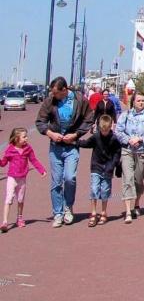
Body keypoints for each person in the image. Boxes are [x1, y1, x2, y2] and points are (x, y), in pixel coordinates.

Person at [35, 76, 94, 227]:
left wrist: (76, 134)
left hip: (71, 145)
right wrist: (50, 133)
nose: (53, 96)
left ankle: (68, 207)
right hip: (55, 146)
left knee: (69, 177)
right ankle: (57, 213)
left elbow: (89, 119)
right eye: (52, 93)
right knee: (56, 181)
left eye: (56, 93)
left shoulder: (80, 100)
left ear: (64, 90)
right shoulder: (50, 101)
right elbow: (40, 121)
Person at [114, 92, 144, 224]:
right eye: (138, 100)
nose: (141, 103)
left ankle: (136, 203)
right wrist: (128, 140)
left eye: (143, 101)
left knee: (138, 179)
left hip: (142, 151)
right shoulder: (125, 115)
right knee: (128, 179)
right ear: (133, 102)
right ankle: (128, 211)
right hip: (127, 151)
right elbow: (118, 131)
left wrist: (141, 139)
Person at [77, 114, 122, 227]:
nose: (104, 132)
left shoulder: (114, 139)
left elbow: (117, 154)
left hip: (108, 167)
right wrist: (75, 142)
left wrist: (113, 165)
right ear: (99, 128)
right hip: (96, 166)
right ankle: (93, 212)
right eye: (102, 130)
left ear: (110, 127)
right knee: (94, 188)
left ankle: (103, 212)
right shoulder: (96, 137)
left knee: (105, 190)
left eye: (106, 130)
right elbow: (87, 143)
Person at [1, 127, 47, 232]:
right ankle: (4, 222)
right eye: (24, 137)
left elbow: (33, 160)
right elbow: (3, 163)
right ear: (16, 138)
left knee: (20, 199)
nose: (26, 139)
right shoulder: (10, 149)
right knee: (8, 198)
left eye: (26, 136)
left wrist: (41, 170)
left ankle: (19, 218)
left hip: (22, 178)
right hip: (12, 177)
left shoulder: (28, 148)